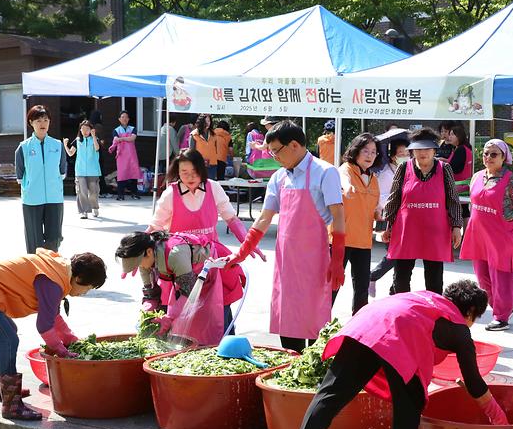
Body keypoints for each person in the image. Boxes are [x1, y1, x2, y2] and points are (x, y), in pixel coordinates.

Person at [282, 280, 508, 429]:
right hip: (397, 335)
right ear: (469, 311)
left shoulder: (426, 299)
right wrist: (501, 420)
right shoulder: (459, 328)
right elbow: (475, 383)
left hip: (367, 322)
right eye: (475, 318)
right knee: (412, 400)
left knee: (333, 391)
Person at [224, 120, 345, 353]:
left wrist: (338, 258)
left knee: (315, 321)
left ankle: (313, 371)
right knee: (288, 320)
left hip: (318, 259)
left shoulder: (325, 172)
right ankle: (292, 363)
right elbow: (264, 218)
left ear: (294, 145)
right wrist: (242, 252)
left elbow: (338, 216)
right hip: (287, 261)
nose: (274, 157)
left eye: (276, 151)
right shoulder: (279, 177)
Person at [0, 249, 106, 420]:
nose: (84, 293)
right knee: (7, 340)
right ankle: (12, 406)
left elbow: (53, 316)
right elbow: (44, 326)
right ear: (79, 278)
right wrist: (62, 350)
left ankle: (3, 391)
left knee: (7, 334)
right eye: (87, 288)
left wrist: (71, 339)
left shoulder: (58, 271)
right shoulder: (53, 282)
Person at [146, 149, 265, 332]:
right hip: (181, 263)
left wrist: (248, 243)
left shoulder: (213, 187)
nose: (190, 177)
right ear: (177, 172)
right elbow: (155, 226)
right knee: (182, 311)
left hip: (212, 260)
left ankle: (226, 343)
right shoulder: (170, 194)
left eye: (194, 172)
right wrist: (141, 251)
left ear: (202, 169)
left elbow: (231, 218)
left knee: (220, 305)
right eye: (184, 173)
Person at [116, 231, 245, 345]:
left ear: (149, 252)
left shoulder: (175, 254)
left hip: (218, 271)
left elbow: (189, 292)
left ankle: (232, 350)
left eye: (138, 263)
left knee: (218, 324)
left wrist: (169, 317)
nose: (139, 267)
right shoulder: (145, 262)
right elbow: (151, 293)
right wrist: (147, 314)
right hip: (193, 280)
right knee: (194, 325)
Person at [381, 128, 462, 296]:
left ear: (434, 150)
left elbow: (453, 199)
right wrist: (387, 225)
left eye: (427, 149)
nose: (422, 153)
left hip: (435, 232)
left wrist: (456, 227)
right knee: (401, 278)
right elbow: (394, 198)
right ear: (412, 151)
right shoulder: (404, 168)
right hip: (406, 231)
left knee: (434, 279)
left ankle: (433, 315)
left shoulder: (444, 168)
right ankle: (402, 313)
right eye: (418, 149)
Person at [460, 139, 513, 331]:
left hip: (500, 235)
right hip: (479, 235)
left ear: (504, 157)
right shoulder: (477, 176)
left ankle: (502, 316)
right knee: (483, 277)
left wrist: (509, 222)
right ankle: (496, 307)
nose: (488, 157)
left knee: (501, 277)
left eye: (494, 154)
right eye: (485, 153)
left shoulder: (510, 179)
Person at [332, 133, 379, 315]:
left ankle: (358, 329)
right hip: (340, 239)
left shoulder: (373, 178)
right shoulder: (346, 169)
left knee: (361, 289)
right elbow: (343, 179)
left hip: (363, 241)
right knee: (332, 287)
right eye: (365, 151)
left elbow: (373, 205)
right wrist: (347, 186)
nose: (369, 155)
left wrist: (378, 210)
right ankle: (319, 329)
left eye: (373, 152)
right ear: (356, 151)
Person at [15, 105, 67, 254]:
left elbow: (62, 170)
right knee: (34, 242)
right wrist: (28, 185)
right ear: (31, 122)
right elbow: (20, 174)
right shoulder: (23, 147)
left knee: (54, 238)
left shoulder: (57, 145)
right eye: (38, 120)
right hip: (32, 198)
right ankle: (35, 272)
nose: (42, 123)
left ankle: (50, 269)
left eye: (45, 120)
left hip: (54, 197)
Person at [369, 136, 409, 298]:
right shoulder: (386, 173)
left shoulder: (407, 169)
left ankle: (395, 291)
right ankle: (372, 276)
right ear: (393, 156)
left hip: (403, 217)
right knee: (397, 253)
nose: (406, 155)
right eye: (402, 153)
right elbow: (381, 196)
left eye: (408, 152)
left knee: (402, 256)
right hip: (390, 218)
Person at [63, 120, 101, 219]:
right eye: (83, 129)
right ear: (80, 129)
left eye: (87, 129)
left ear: (91, 130)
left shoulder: (95, 139)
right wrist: (65, 145)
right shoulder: (77, 141)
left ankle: (94, 207)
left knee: (93, 192)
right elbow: (71, 153)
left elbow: (97, 148)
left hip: (93, 170)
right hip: (80, 171)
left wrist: (93, 136)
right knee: (81, 191)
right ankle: (84, 211)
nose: (85, 131)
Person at [110, 110, 141, 201]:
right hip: (121, 154)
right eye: (122, 117)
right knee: (121, 174)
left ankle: (134, 193)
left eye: (126, 117)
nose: (124, 119)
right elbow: (115, 139)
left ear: (128, 119)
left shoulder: (133, 128)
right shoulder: (116, 130)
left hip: (131, 154)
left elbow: (133, 138)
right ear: (119, 119)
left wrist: (122, 138)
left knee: (133, 173)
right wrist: (124, 138)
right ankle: (120, 194)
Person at [88, 110, 111, 198]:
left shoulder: (88, 126)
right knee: (100, 172)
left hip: (89, 152)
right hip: (98, 151)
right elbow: (102, 141)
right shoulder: (99, 126)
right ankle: (103, 192)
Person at [188, 113, 218, 178]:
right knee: (199, 185)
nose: (207, 123)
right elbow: (191, 152)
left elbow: (216, 148)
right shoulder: (194, 134)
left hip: (212, 164)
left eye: (209, 121)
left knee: (210, 185)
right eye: (205, 121)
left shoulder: (214, 134)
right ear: (201, 122)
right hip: (199, 164)